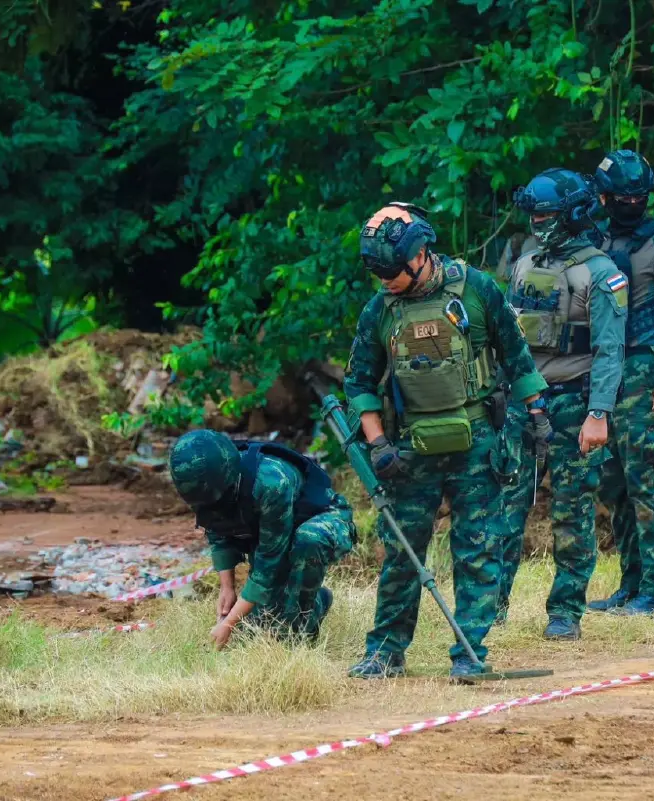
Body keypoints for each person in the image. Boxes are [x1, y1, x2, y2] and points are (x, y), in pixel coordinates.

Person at [344, 201, 550, 680]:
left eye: (392, 270)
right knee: (402, 551)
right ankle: (386, 651)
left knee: (477, 549)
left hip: (477, 438)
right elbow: (358, 384)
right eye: (377, 271)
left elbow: (516, 355)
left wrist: (537, 414)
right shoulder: (380, 309)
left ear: (420, 255)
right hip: (410, 447)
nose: (385, 279)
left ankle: (469, 653)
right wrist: (378, 445)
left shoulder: (476, 289)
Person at [496, 168, 627, 640]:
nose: (538, 223)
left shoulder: (602, 273)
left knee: (572, 511)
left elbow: (611, 351)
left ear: (572, 214)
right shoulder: (524, 262)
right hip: (524, 402)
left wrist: (599, 414)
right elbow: (508, 339)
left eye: (547, 214)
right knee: (505, 506)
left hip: (575, 402)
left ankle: (566, 612)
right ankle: (491, 607)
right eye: (534, 215)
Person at [586, 149, 654, 617]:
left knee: (647, 481)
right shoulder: (595, 239)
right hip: (604, 375)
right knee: (615, 486)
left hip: (646, 373)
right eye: (620, 196)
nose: (627, 204)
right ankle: (631, 584)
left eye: (635, 197)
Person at [168, 429, 356, 649]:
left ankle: (306, 622)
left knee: (288, 635)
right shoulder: (212, 485)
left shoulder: (271, 482)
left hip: (324, 520)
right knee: (259, 626)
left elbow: (268, 565)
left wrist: (228, 623)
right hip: (274, 531)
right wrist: (226, 588)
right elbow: (218, 528)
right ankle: (313, 602)